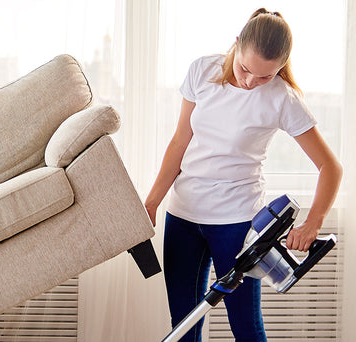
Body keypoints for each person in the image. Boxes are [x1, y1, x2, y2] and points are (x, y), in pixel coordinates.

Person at [145, 8, 343, 342]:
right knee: (183, 324)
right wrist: (152, 203)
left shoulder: (283, 98)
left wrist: (313, 223)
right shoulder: (202, 71)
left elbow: (330, 167)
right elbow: (180, 141)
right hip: (183, 215)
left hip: (237, 223)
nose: (250, 81)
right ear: (236, 44)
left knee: (245, 326)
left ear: (281, 67)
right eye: (245, 68)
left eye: (265, 76)